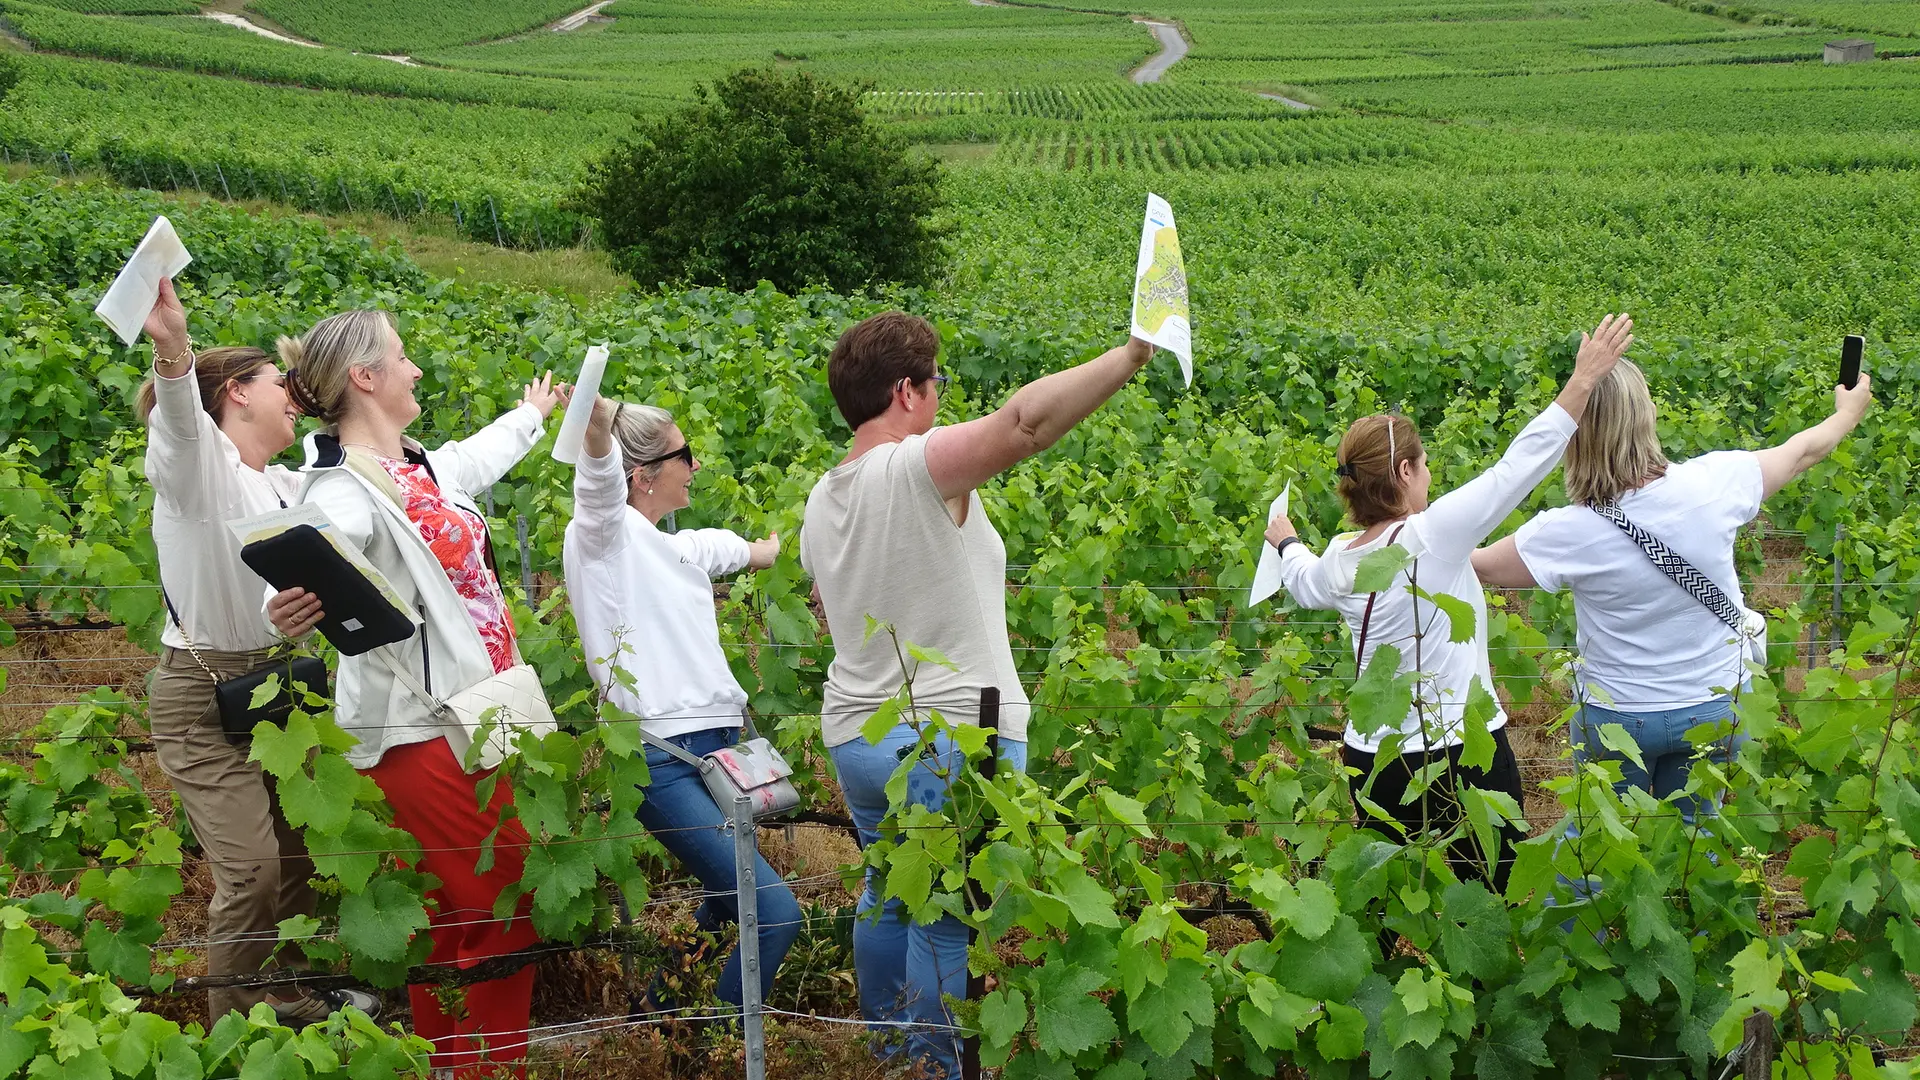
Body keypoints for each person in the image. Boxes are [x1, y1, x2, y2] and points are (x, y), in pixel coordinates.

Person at [800, 310, 1154, 1075]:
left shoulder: (821, 499)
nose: (942, 399)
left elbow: (830, 613)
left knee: (886, 896)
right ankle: (934, 1071)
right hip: (948, 740)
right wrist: (1130, 355)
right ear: (906, 392)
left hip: (860, 736)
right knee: (947, 924)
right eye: (939, 384)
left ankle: (891, 1057)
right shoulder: (913, 468)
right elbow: (1025, 424)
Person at [265, 309, 566, 1078]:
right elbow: (313, 548)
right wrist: (287, 605)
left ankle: (447, 1063)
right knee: (503, 906)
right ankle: (490, 1069)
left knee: (452, 912)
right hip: (420, 727)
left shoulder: (421, 465)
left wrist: (533, 413)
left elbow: (477, 457)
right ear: (365, 379)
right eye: (403, 358)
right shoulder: (342, 490)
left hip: (488, 705)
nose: (417, 371)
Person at [1267, 314, 1634, 889]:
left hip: (1374, 760)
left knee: (1396, 902)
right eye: (1425, 464)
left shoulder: (1339, 555)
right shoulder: (1431, 536)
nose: (1431, 475)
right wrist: (1582, 381)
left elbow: (1301, 578)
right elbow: (1516, 468)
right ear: (1406, 470)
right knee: (1492, 896)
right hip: (1460, 754)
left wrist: (1285, 538)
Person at [1472, 360, 1872, 818]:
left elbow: (1478, 565)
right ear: (1647, 416)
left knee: (1604, 849)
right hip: (1715, 708)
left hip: (1618, 721)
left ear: (1574, 438)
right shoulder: (1717, 482)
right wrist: (1847, 412)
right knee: (1692, 847)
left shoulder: (1565, 534)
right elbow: (1803, 451)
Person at [137, 279, 380, 1026]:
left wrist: (289, 620)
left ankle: (284, 994)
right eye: (278, 385)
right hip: (198, 691)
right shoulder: (198, 473)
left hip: (270, 683)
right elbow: (181, 429)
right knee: (250, 870)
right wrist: (174, 351)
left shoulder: (282, 484)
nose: (291, 397)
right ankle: (229, 1027)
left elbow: (279, 596)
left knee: (296, 856)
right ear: (237, 394)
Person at [561, 395, 800, 1012]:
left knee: (724, 905)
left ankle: (659, 1020)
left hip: (716, 753)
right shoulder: (603, 537)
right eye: (683, 455)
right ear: (639, 475)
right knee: (772, 913)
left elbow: (713, 547)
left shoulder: (668, 546)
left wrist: (763, 552)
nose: (695, 466)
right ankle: (710, 1051)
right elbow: (596, 493)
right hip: (662, 759)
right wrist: (594, 438)